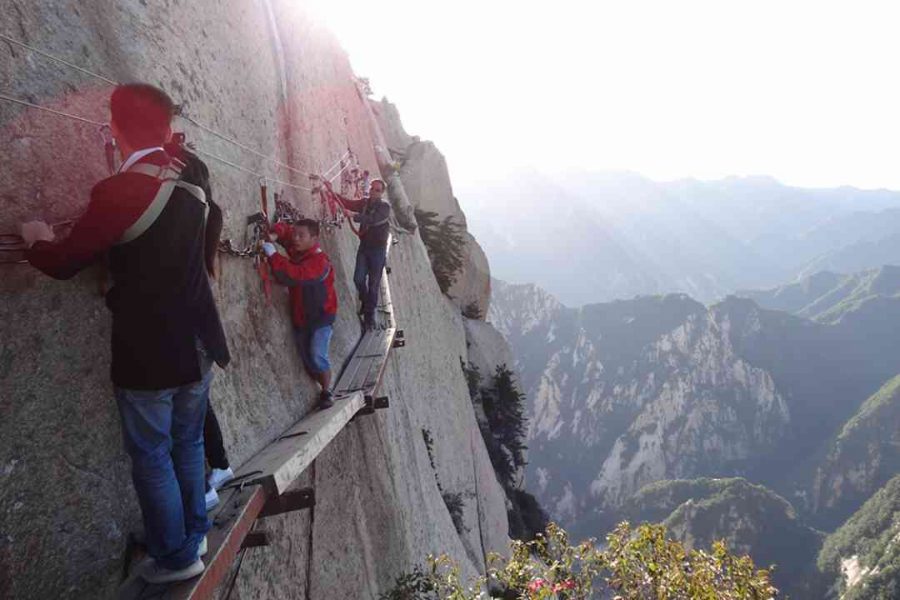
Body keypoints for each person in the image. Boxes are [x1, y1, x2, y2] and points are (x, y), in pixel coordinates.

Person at [20, 83, 230, 584]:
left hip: (149, 351)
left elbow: (66, 261)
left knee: (153, 454)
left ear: (114, 126)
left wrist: (37, 241)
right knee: (186, 444)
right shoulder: (191, 186)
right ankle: (194, 535)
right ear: (166, 129)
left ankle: (177, 559)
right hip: (198, 343)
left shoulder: (118, 192)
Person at [263, 220, 337, 409]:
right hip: (302, 316)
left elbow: (296, 275)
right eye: (296, 234)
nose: (295, 238)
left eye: (301, 235)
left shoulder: (320, 263)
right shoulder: (299, 249)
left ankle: (327, 390)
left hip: (321, 317)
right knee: (307, 357)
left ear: (314, 238)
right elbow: (286, 230)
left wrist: (272, 253)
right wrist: (275, 233)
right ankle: (321, 382)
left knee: (317, 354)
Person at [329, 178, 391, 329]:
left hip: (377, 250)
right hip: (365, 247)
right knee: (358, 278)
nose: (373, 191)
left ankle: (369, 317)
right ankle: (365, 300)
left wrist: (354, 216)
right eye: (372, 188)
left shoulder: (384, 207)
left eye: (377, 190)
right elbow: (348, 203)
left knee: (374, 284)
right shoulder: (364, 203)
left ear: (382, 192)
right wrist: (332, 193)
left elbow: (374, 220)